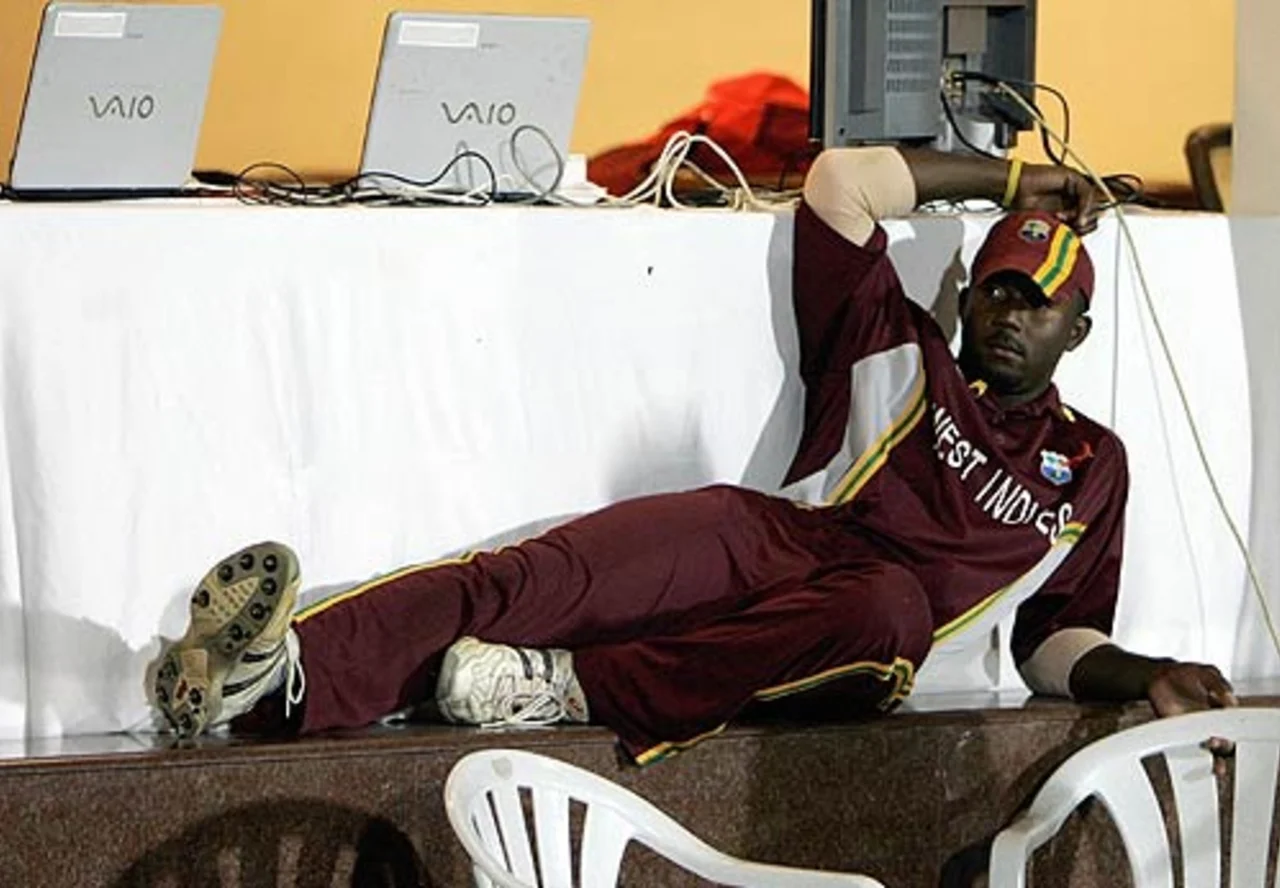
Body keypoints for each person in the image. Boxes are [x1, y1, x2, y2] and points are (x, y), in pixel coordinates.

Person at [150, 145, 1238, 765]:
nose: (1009, 315)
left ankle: (567, 689)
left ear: (1075, 332)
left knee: (891, 609)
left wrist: (1145, 677)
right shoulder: (894, 341)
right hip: (768, 535)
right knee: (524, 577)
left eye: (1038, 303)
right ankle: (270, 678)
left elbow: (1052, 641)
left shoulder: (1089, 465)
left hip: (862, 624)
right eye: (998, 287)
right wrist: (1008, 183)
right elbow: (840, 183)